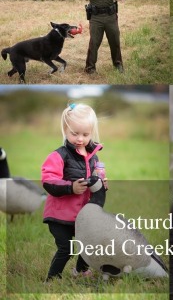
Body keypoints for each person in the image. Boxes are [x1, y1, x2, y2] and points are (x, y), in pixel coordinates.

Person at [41, 103, 107, 281]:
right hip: (60, 215)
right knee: (66, 248)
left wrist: (101, 183)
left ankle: (80, 270)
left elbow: (96, 177)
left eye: (85, 134)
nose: (80, 139)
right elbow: (48, 180)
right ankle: (52, 278)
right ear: (65, 130)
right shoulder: (59, 155)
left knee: (89, 244)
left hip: (82, 215)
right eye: (74, 133)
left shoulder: (93, 156)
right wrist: (71, 187)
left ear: (91, 132)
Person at [77, 0, 125, 74]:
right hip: (96, 18)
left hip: (111, 17)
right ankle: (90, 68)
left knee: (115, 42)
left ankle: (118, 65)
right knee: (94, 43)